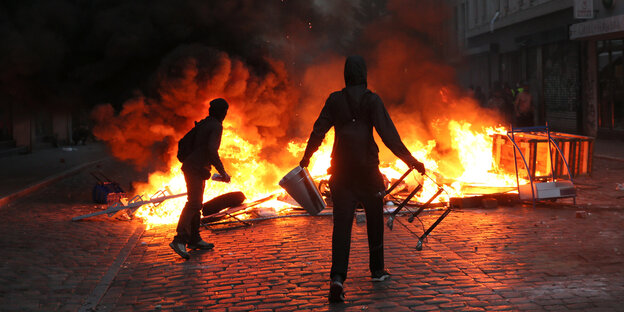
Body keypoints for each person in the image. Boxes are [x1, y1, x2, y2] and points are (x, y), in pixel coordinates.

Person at [299, 55, 426, 303]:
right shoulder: (372, 100)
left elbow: (318, 130)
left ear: (346, 75)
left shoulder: (335, 100)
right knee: (375, 219)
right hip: (368, 171)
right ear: (364, 74)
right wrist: (411, 160)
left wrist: (306, 158)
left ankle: (337, 278)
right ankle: (377, 270)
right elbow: (389, 135)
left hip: (342, 171)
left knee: (342, 225)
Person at [170, 98, 231, 260]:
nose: (225, 114)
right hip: (195, 169)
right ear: (222, 112)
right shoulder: (216, 126)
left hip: (196, 168)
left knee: (197, 203)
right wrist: (222, 172)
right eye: (225, 111)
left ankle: (194, 238)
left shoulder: (206, 123)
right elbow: (212, 150)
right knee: (194, 203)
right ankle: (180, 239)